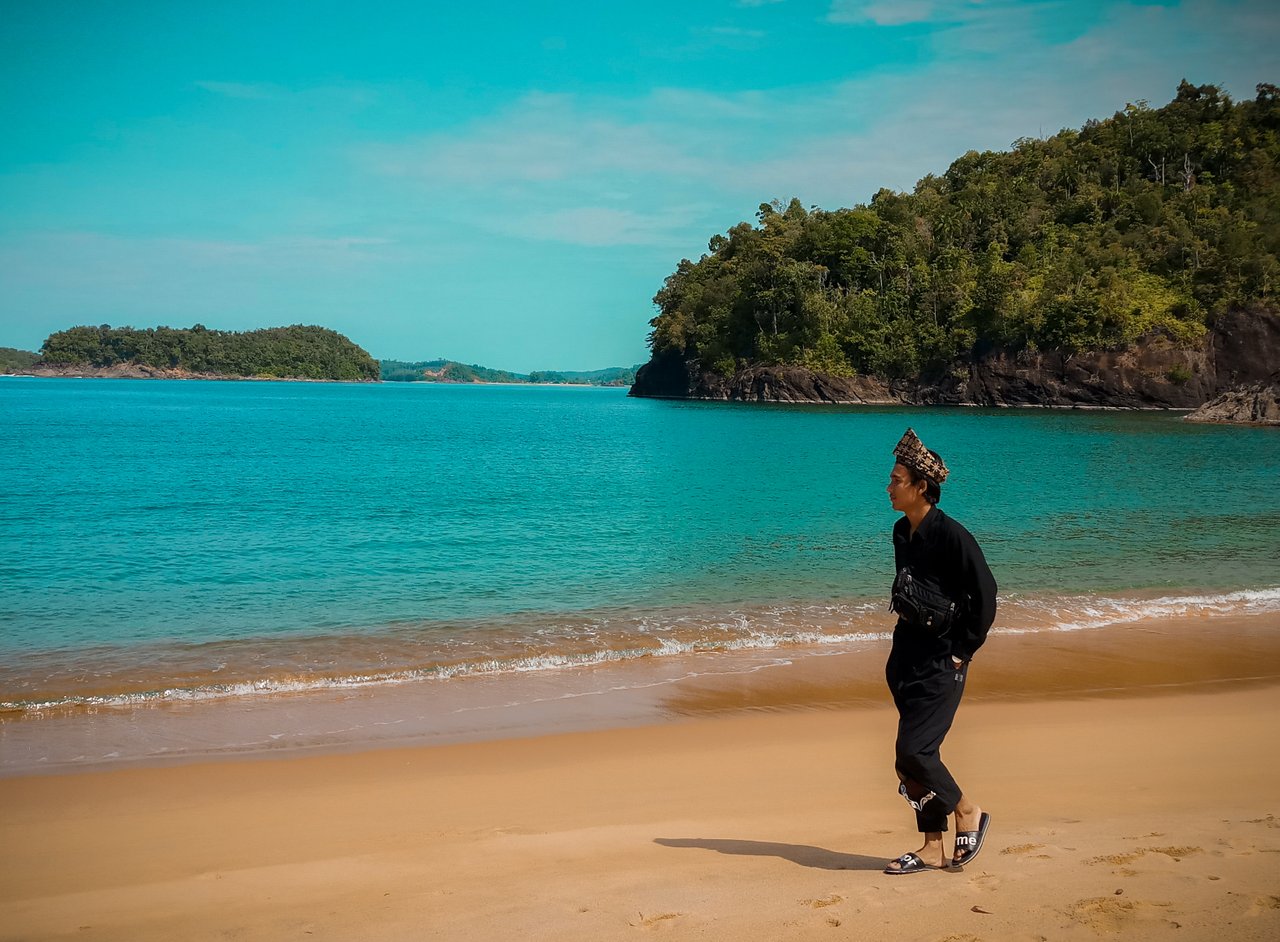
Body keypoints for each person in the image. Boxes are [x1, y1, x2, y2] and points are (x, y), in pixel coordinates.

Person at [882, 428, 997, 875]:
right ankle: (931, 847)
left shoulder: (953, 536)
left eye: (896, 480)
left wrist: (962, 650)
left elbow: (985, 595)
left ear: (920, 488)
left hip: (942, 658)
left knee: (916, 751)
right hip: (907, 653)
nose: (888, 487)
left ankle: (967, 809)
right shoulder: (901, 530)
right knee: (909, 759)